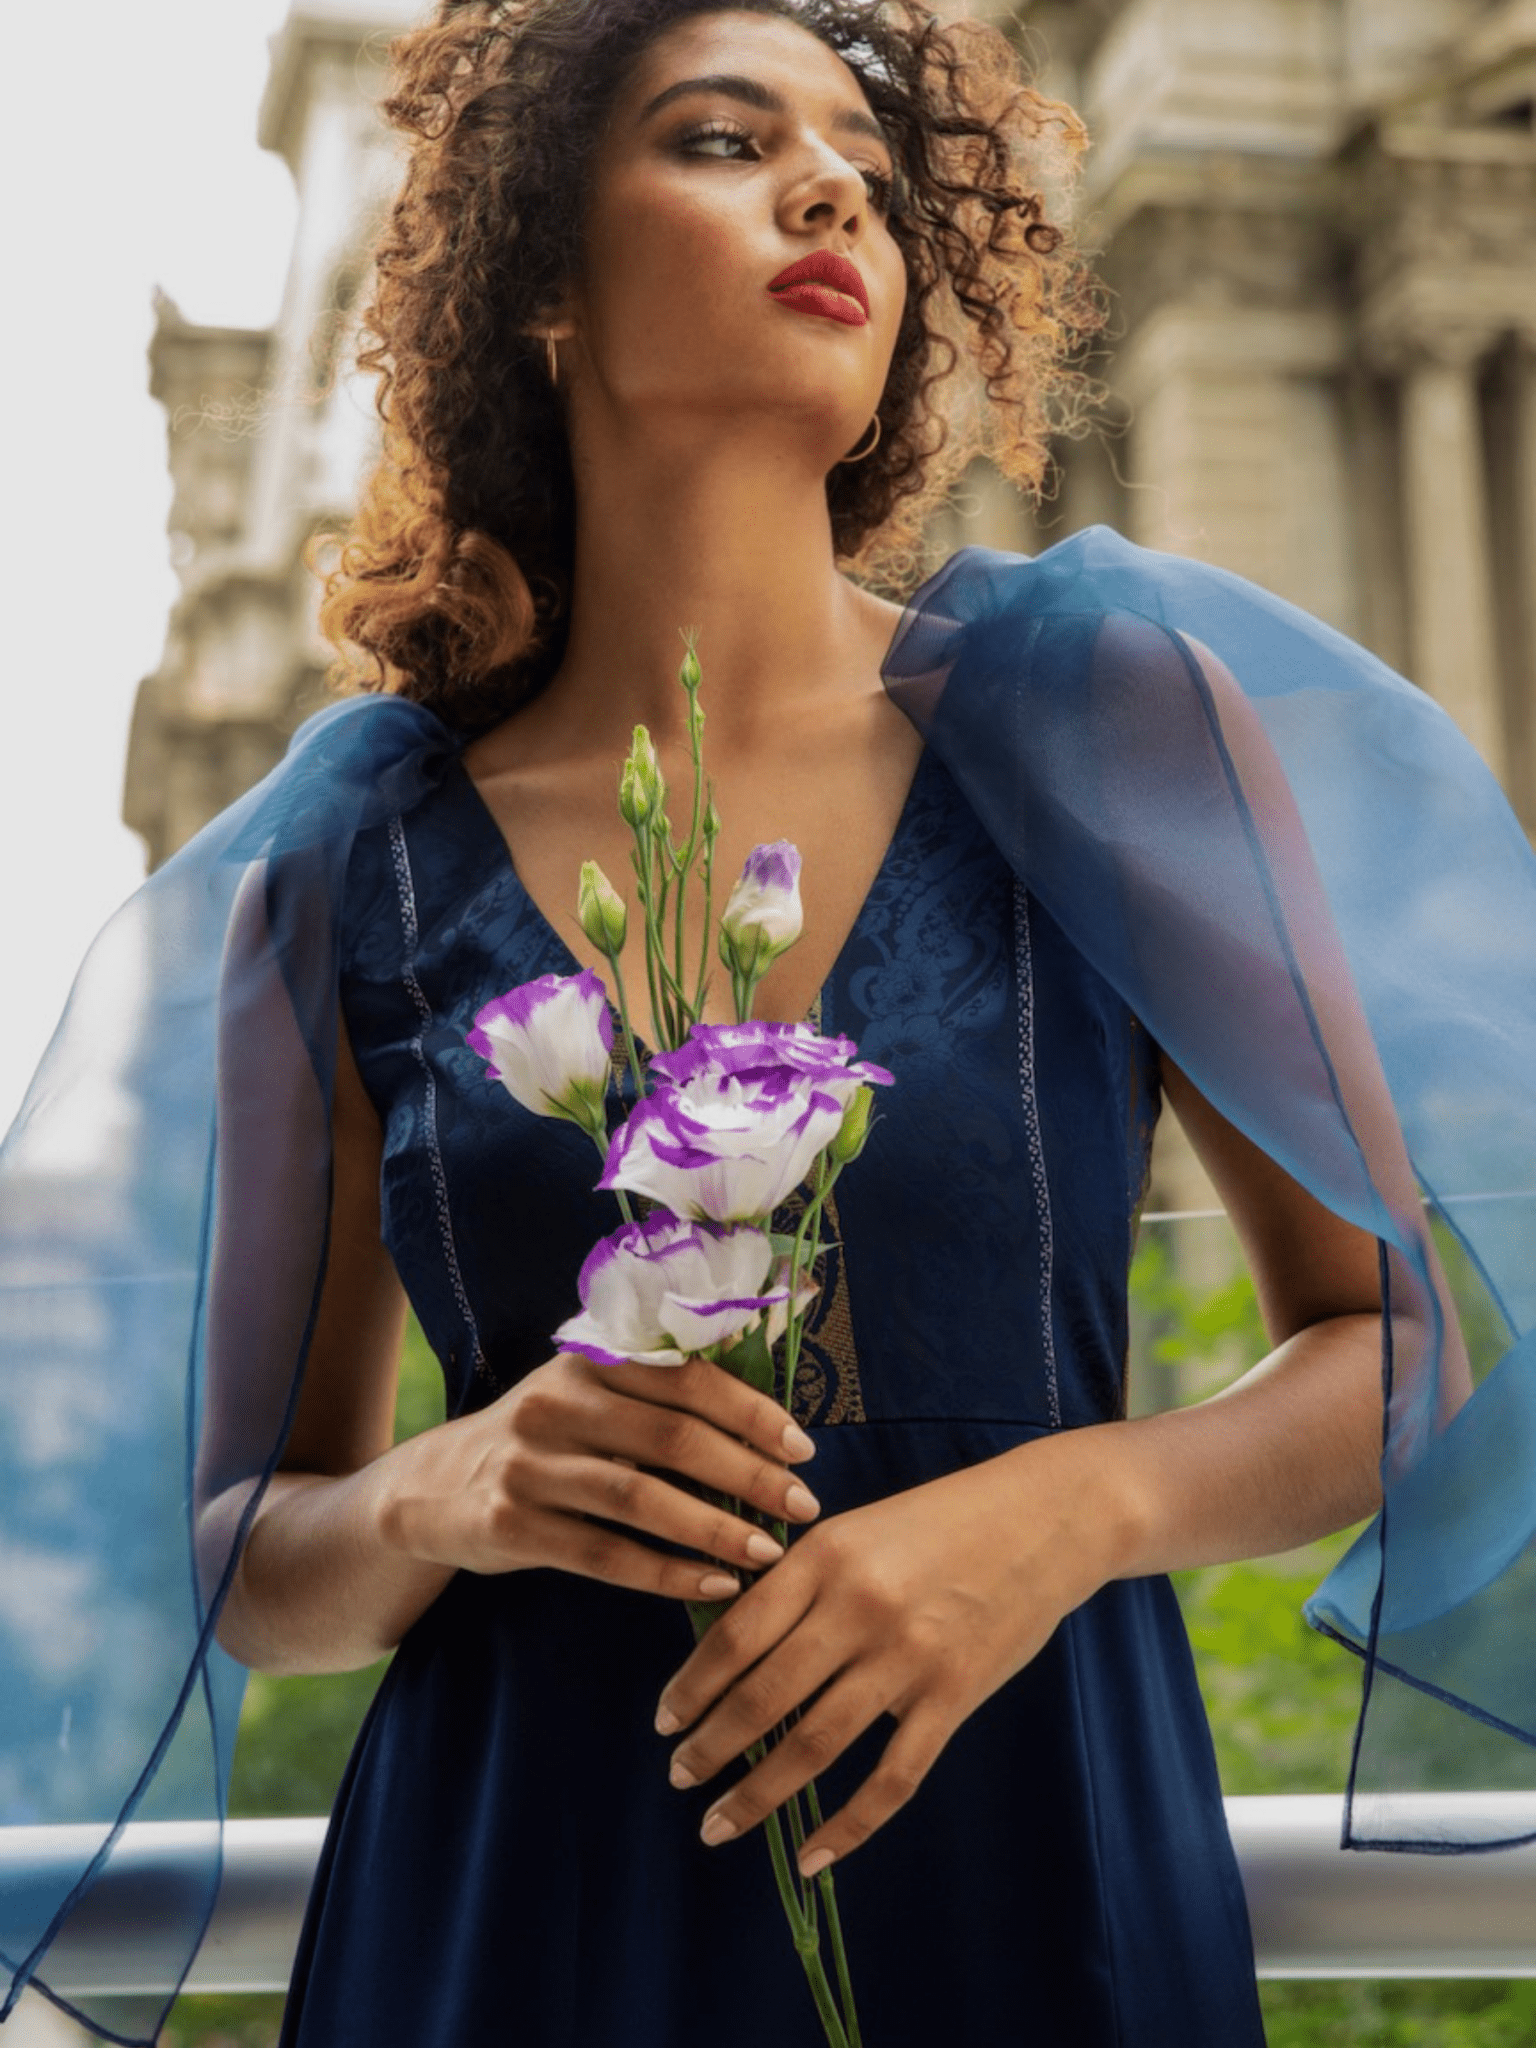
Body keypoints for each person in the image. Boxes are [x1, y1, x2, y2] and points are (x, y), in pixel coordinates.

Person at [6, 0, 1535, 2043]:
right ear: (539, 274)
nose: (830, 191)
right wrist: (436, 1492)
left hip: (1046, 1891)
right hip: (511, 1913)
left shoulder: (1107, 723)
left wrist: (1071, 1510)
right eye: (725, 140)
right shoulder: (347, 860)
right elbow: (245, 1553)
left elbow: (1404, 1346)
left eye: (879, 180)